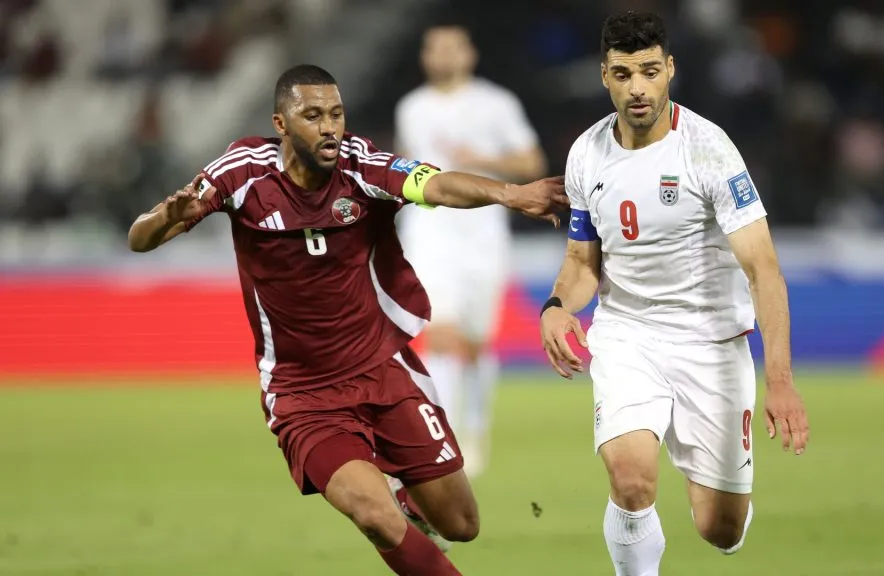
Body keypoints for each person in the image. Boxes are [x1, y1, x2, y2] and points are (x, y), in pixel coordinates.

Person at [128, 64, 567, 576]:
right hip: (303, 393)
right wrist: (165, 218)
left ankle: (409, 500)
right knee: (373, 515)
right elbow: (139, 238)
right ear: (282, 124)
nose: (330, 126)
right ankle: (397, 517)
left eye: (336, 113)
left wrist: (512, 195)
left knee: (461, 523)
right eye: (313, 115)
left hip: (384, 371)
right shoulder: (242, 170)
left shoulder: (361, 165)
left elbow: (438, 184)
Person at [539, 11, 809, 575]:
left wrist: (779, 380)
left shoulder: (709, 150)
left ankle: (729, 507)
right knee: (631, 478)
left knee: (719, 528)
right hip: (627, 335)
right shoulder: (586, 155)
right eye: (622, 73)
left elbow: (763, 268)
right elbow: (583, 261)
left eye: (648, 71)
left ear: (670, 70)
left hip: (710, 340)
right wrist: (558, 306)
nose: (637, 87)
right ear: (604, 76)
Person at [395, 21, 547, 478]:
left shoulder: (495, 103)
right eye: (433, 48)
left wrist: (478, 162)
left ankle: (477, 428)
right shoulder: (412, 107)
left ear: (469, 54)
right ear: (425, 56)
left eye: (451, 47)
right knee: (439, 332)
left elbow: (532, 161)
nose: (442, 56)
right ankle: (446, 437)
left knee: (478, 342)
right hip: (430, 228)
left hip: (482, 230)